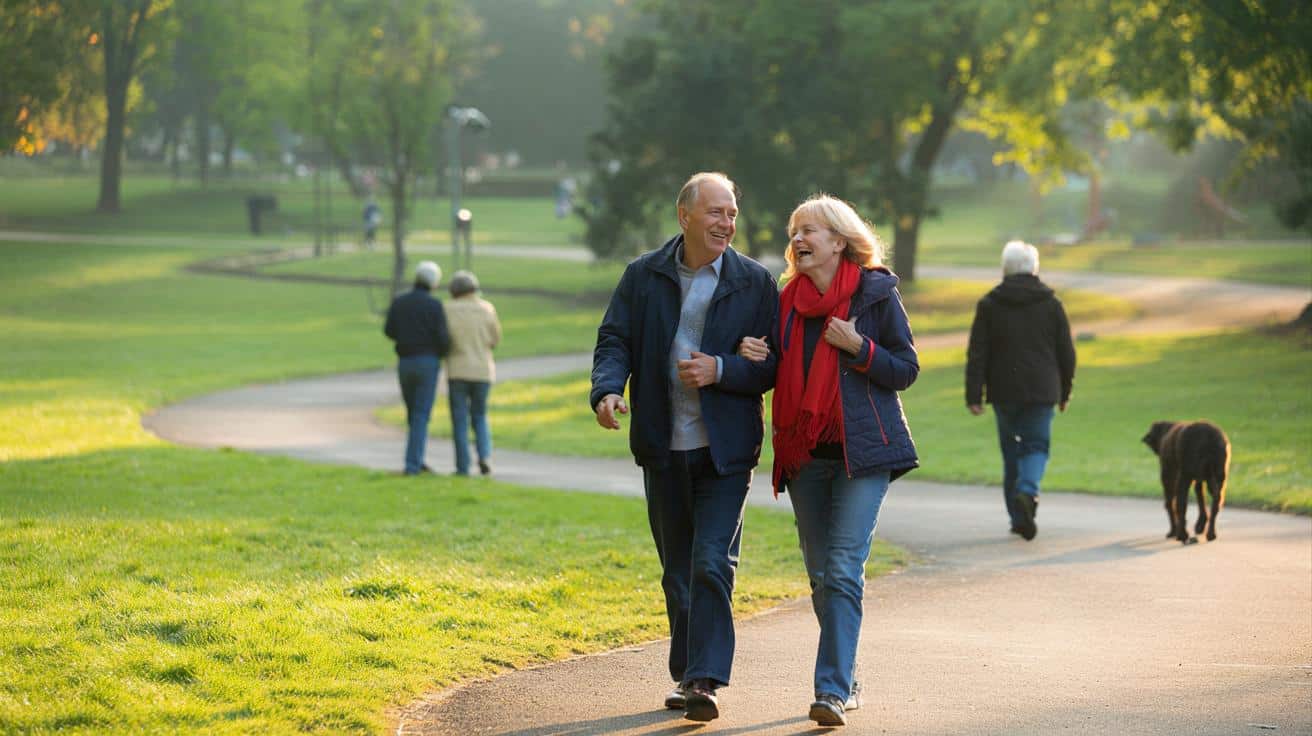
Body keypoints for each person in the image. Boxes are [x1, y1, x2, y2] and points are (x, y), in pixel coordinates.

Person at [591, 172, 779, 722]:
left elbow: (773, 367)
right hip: (663, 446)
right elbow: (615, 340)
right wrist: (606, 390)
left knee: (710, 562)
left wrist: (724, 368)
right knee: (677, 570)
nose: (727, 223)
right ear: (685, 217)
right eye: (716, 213)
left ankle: (703, 680)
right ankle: (688, 671)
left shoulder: (754, 282)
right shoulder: (643, 275)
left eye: (732, 213)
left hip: (726, 452)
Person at [738, 194, 919, 727]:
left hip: (861, 453)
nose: (798, 238)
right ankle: (848, 674)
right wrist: (756, 357)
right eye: (795, 229)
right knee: (821, 575)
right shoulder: (785, 301)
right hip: (805, 455)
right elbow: (775, 371)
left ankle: (831, 691)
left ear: (839, 240)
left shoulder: (875, 294)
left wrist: (860, 347)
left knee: (842, 568)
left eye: (809, 229)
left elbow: (905, 368)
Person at [965, 240, 1076, 541]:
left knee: (1012, 452)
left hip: (1003, 390)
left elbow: (978, 352)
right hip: (1043, 390)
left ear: (1005, 268)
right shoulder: (1052, 304)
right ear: (1034, 268)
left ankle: (1018, 518)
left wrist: (974, 394)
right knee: (1036, 445)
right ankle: (1028, 492)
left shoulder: (989, 303)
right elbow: (1066, 352)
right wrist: (1066, 391)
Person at [384, 261, 451, 475]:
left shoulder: (400, 302)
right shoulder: (435, 306)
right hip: (427, 362)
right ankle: (413, 464)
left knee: (413, 413)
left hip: (405, 362)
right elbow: (443, 338)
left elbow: (389, 330)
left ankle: (416, 458)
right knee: (421, 414)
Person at [444, 270, 501, 476]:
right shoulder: (487, 309)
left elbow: (444, 339)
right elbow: (495, 339)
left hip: (457, 370)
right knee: (480, 416)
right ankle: (485, 456)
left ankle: (462, 466)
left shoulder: (447, 309)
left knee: (459, 419)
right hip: (483, 370)